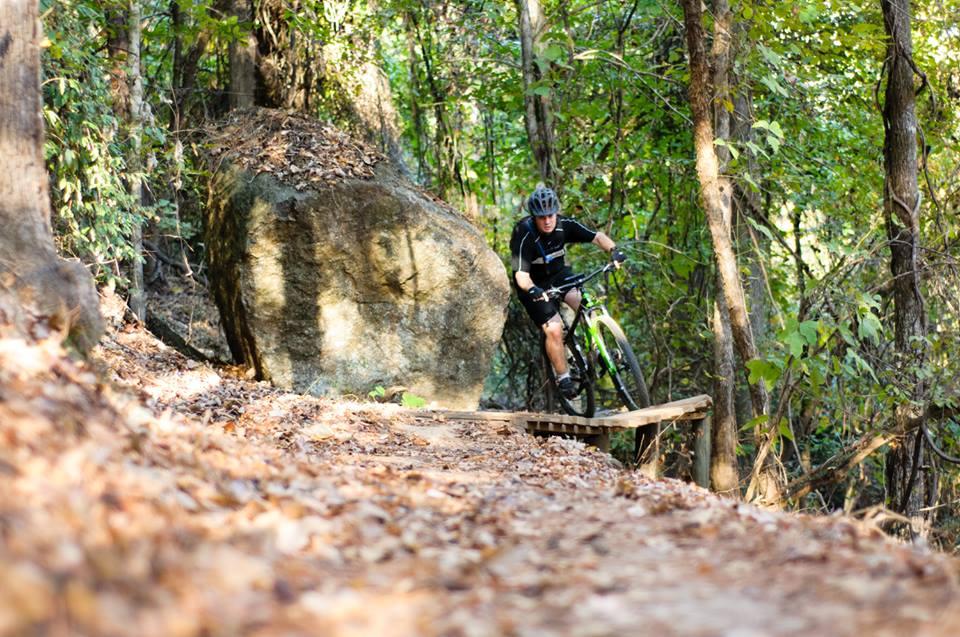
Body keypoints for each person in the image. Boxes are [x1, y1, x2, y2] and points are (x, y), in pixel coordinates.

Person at [509, 186, 626, 399]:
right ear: (534, 217)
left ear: (556, 213)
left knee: (585, 304)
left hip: (559, 275)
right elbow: (521, 276)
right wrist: (533, 289)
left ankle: (601, 351)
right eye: (541, 217)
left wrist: (614, 250)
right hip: (532, 284)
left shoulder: (564, 226)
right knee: (554, 329)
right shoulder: (524, 234)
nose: (547, 221)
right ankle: (563, 377)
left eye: (550, 215)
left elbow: (597, 237)